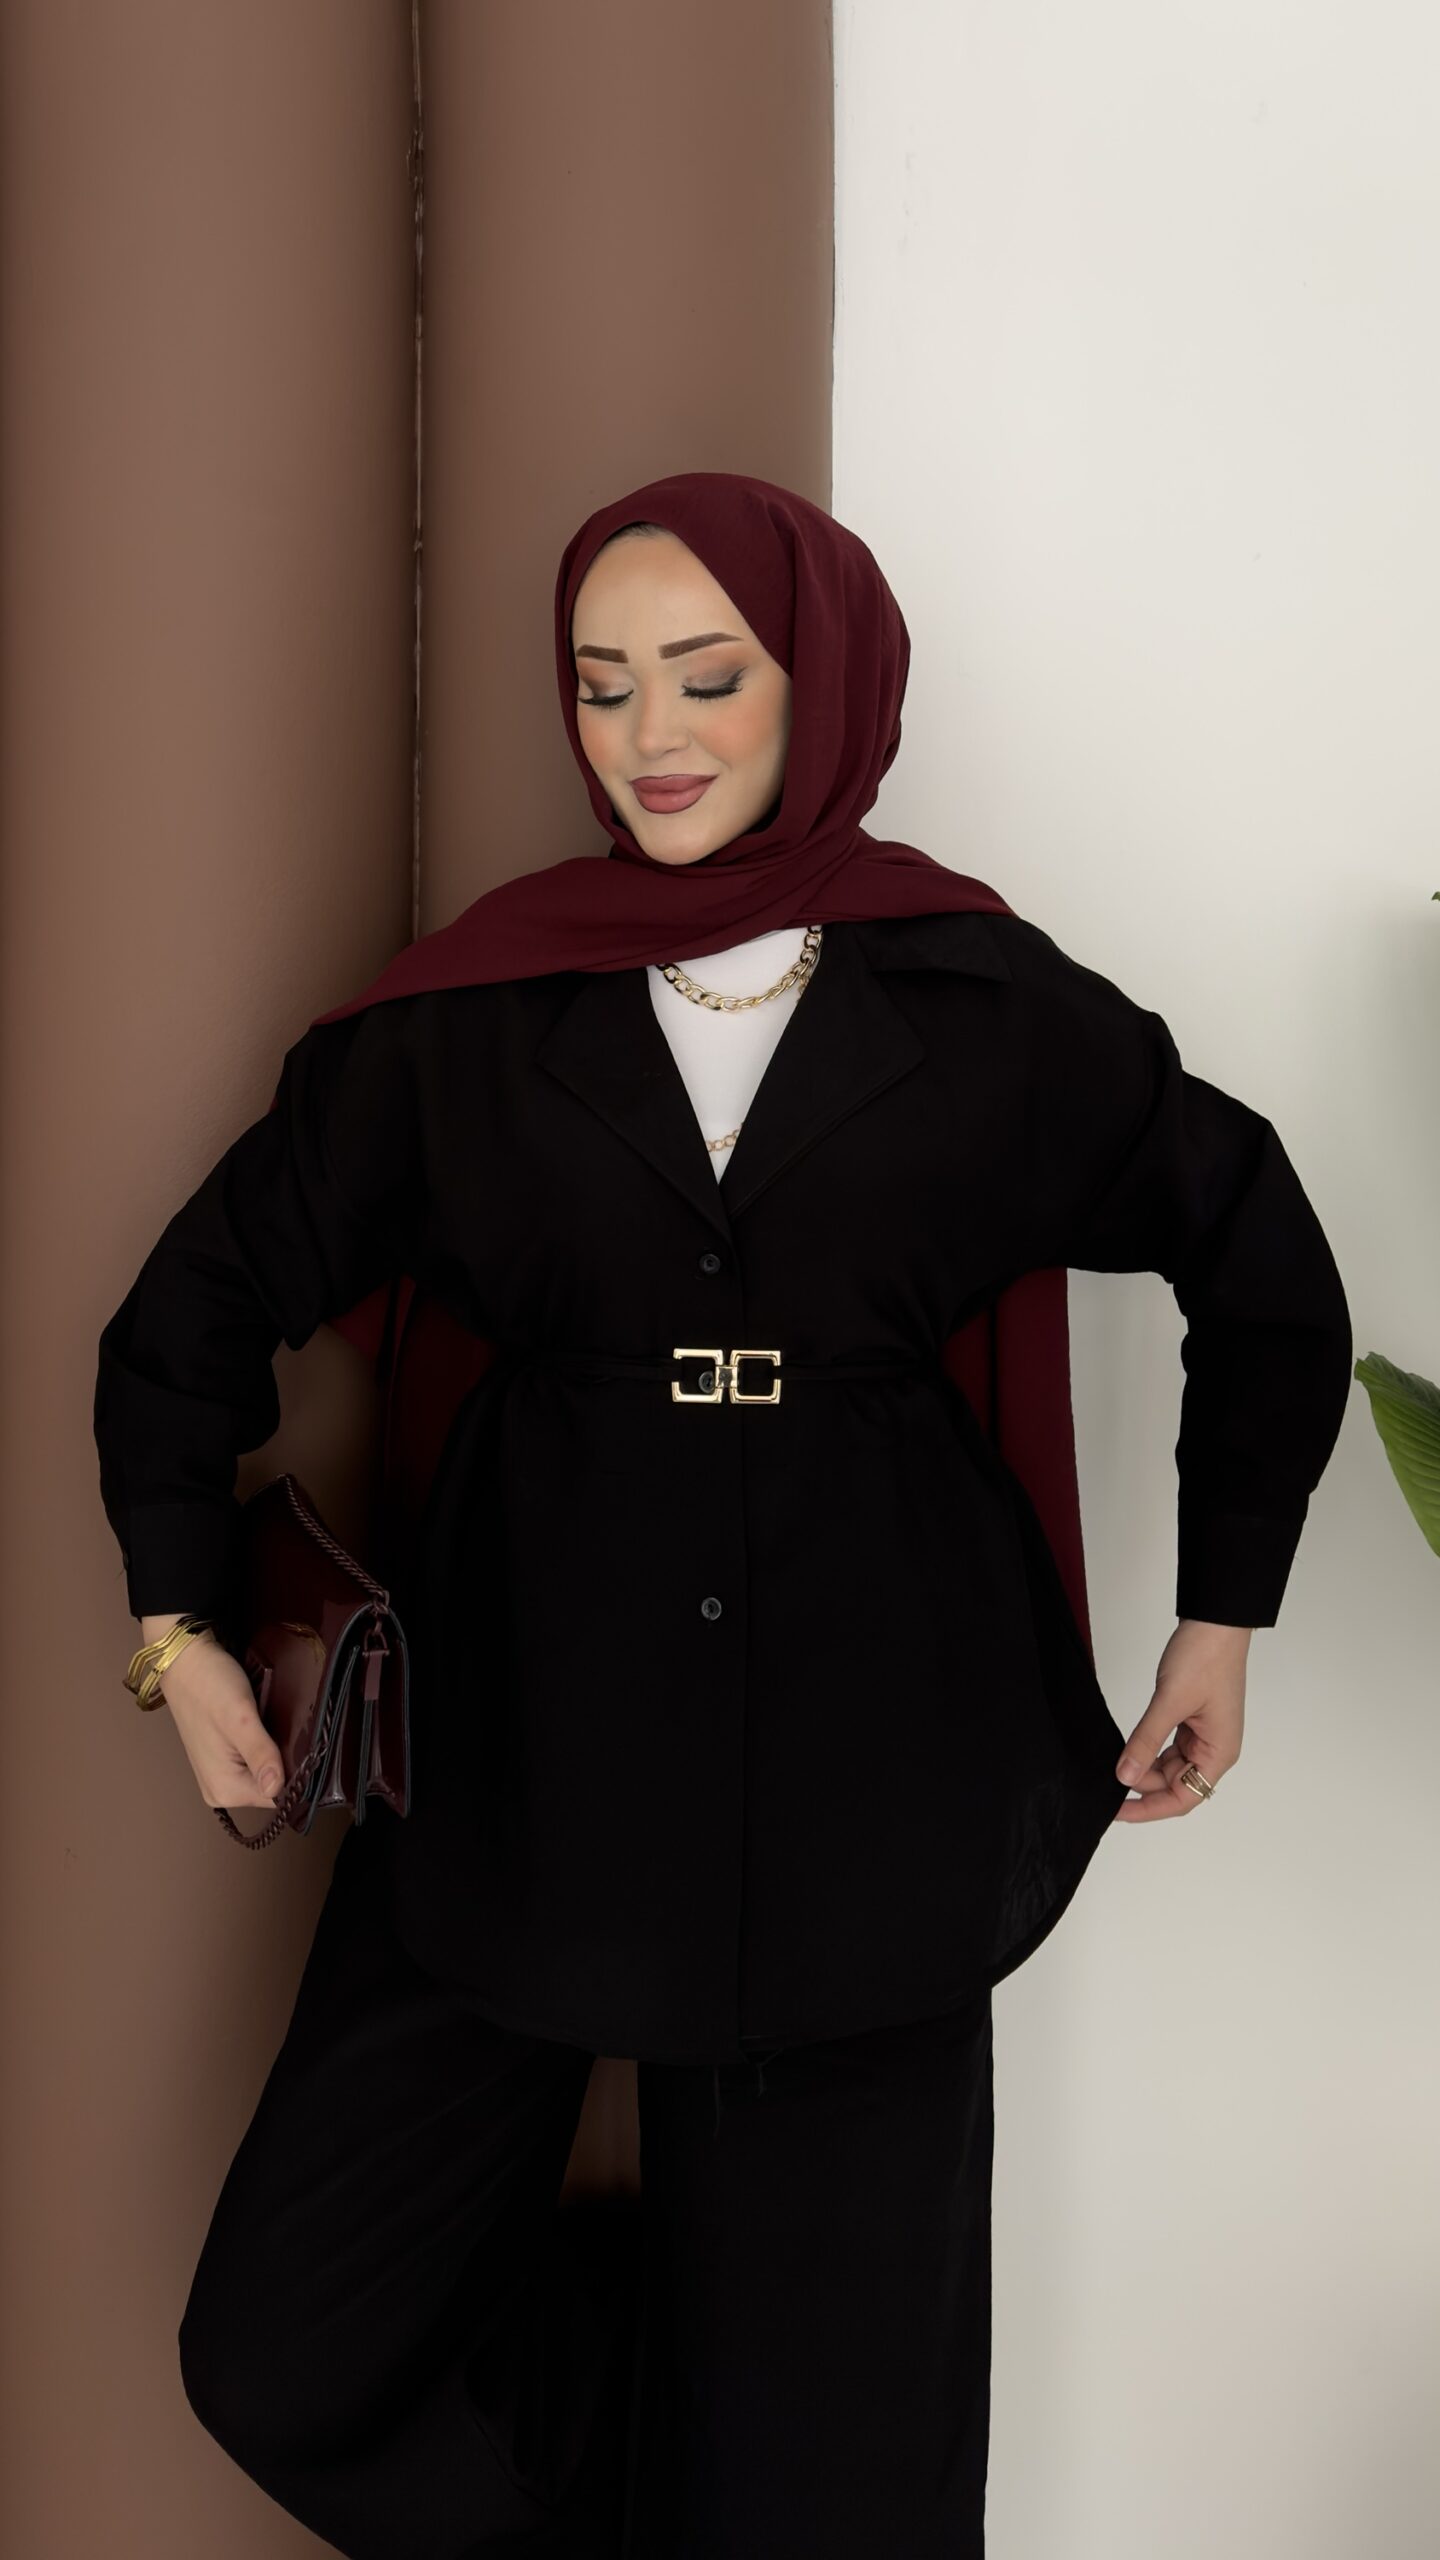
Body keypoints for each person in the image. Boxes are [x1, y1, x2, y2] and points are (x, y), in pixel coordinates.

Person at [92, 471, 1353, 2558]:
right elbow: (194, 1307)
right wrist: (178, 1628)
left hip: (880, 1803)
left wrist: (1224, 1612)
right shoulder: (472, 1019)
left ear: (824, 684)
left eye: (706, 676)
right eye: (602, 685)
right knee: (285, 2352)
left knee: (834, 2499)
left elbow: (1261, 1253)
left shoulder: (986, 1007)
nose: (648, 735)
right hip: (514, 1783)